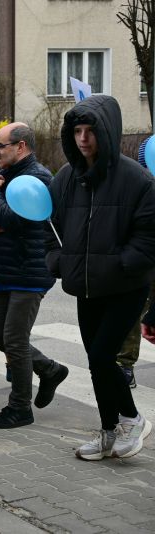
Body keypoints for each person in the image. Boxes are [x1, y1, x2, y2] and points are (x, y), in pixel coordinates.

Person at [46, 95, 155, 460]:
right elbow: (48, 226)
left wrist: (121, 264)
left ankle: (133, 419)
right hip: (86, 286)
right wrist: (59, 261)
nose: (83, 138)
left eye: (90, 131)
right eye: (77, 131)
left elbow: (148, 236)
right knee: (96, 362)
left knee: (103, 356)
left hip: (125, 286)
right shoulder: (66, 178)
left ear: (106, 132)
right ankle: (108, 432)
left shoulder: (136, 179)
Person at [0, 122, 69, 428]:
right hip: (1, 271)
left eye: (0, 146)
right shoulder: (1, 178)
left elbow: (13, 220)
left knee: (14, 340)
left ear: (21, 147)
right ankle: (49, 369)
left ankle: (20, 407)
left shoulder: (37, 178)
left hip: (30, 272)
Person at [115, 134, 154, 389]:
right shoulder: (139, 185)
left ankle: (125, 365)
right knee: (134, 311)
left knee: (136, 311)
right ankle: (125, 364)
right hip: (144, 259)